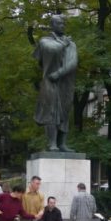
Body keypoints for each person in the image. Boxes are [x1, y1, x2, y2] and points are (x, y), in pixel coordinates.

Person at [33, 15, 77, 152]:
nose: (62, 25)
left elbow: (73, 62)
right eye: (59, 23)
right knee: (50, 111)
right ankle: (52, 143)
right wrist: (63, 45)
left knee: (65, 112)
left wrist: (59, 73)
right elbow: (44, 57)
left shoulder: (71, 44)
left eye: (63, 23)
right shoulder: (44, 41)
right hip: (49, 81)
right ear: (52, 25)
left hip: (66, 83)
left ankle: (62, 143)